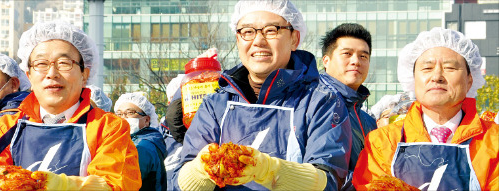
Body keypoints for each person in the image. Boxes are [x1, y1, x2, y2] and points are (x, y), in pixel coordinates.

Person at [173, 0, 352, 190]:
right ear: (238, 40)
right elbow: (179, 181)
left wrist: (269, 170)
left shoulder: (321, 102)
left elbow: (330, 180)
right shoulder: (215, 104)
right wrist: (200, 171)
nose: (258, 41)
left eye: (271, 30)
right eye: (248, 32)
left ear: (294, 39)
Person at [0, 20, 141, 190]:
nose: (51, 74)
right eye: (41, 64)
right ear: (29, 76)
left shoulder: (108, 129)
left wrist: (61, 185)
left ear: (84, 75)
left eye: (64, 63)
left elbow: (115, 184)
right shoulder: (6, 127)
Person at [352, 27, 498, 190]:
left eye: (450, 68)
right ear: (413, 78)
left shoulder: (494, 141)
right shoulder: (383, 141)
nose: (437, 77)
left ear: (469, 80)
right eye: (427, 68)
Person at [319, 23, 377, 190]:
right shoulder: (315, 103)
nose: (355, 61)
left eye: (363, 56)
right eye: (347, 54)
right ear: (326, 60)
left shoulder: (367, 119)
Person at [114, 92, 167, 191]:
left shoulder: (142, 147)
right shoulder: (144, 140)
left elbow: (124, 183)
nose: (123, 118)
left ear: (146, 120)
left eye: (130, 113)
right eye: (119, 114)